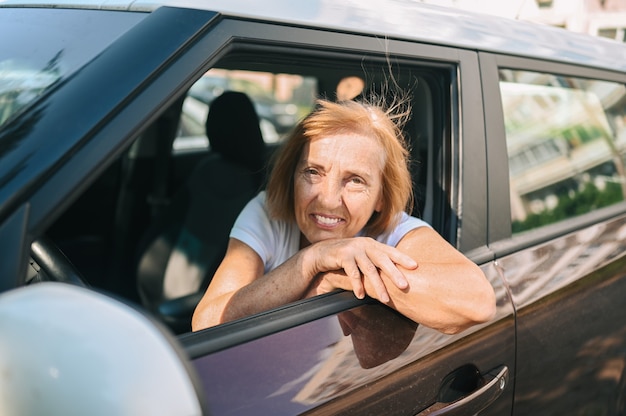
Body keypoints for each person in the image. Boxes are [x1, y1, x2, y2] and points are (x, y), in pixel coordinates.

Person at [191, 97, 496, 333]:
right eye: (313, 172)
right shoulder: (268, 211)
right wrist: (312, 259)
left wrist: (337, 276)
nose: (328, 199)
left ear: (381, 197)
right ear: (292, 175)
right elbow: (206, 322)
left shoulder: (394, 231)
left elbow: (477, 303)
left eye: (355, 180)